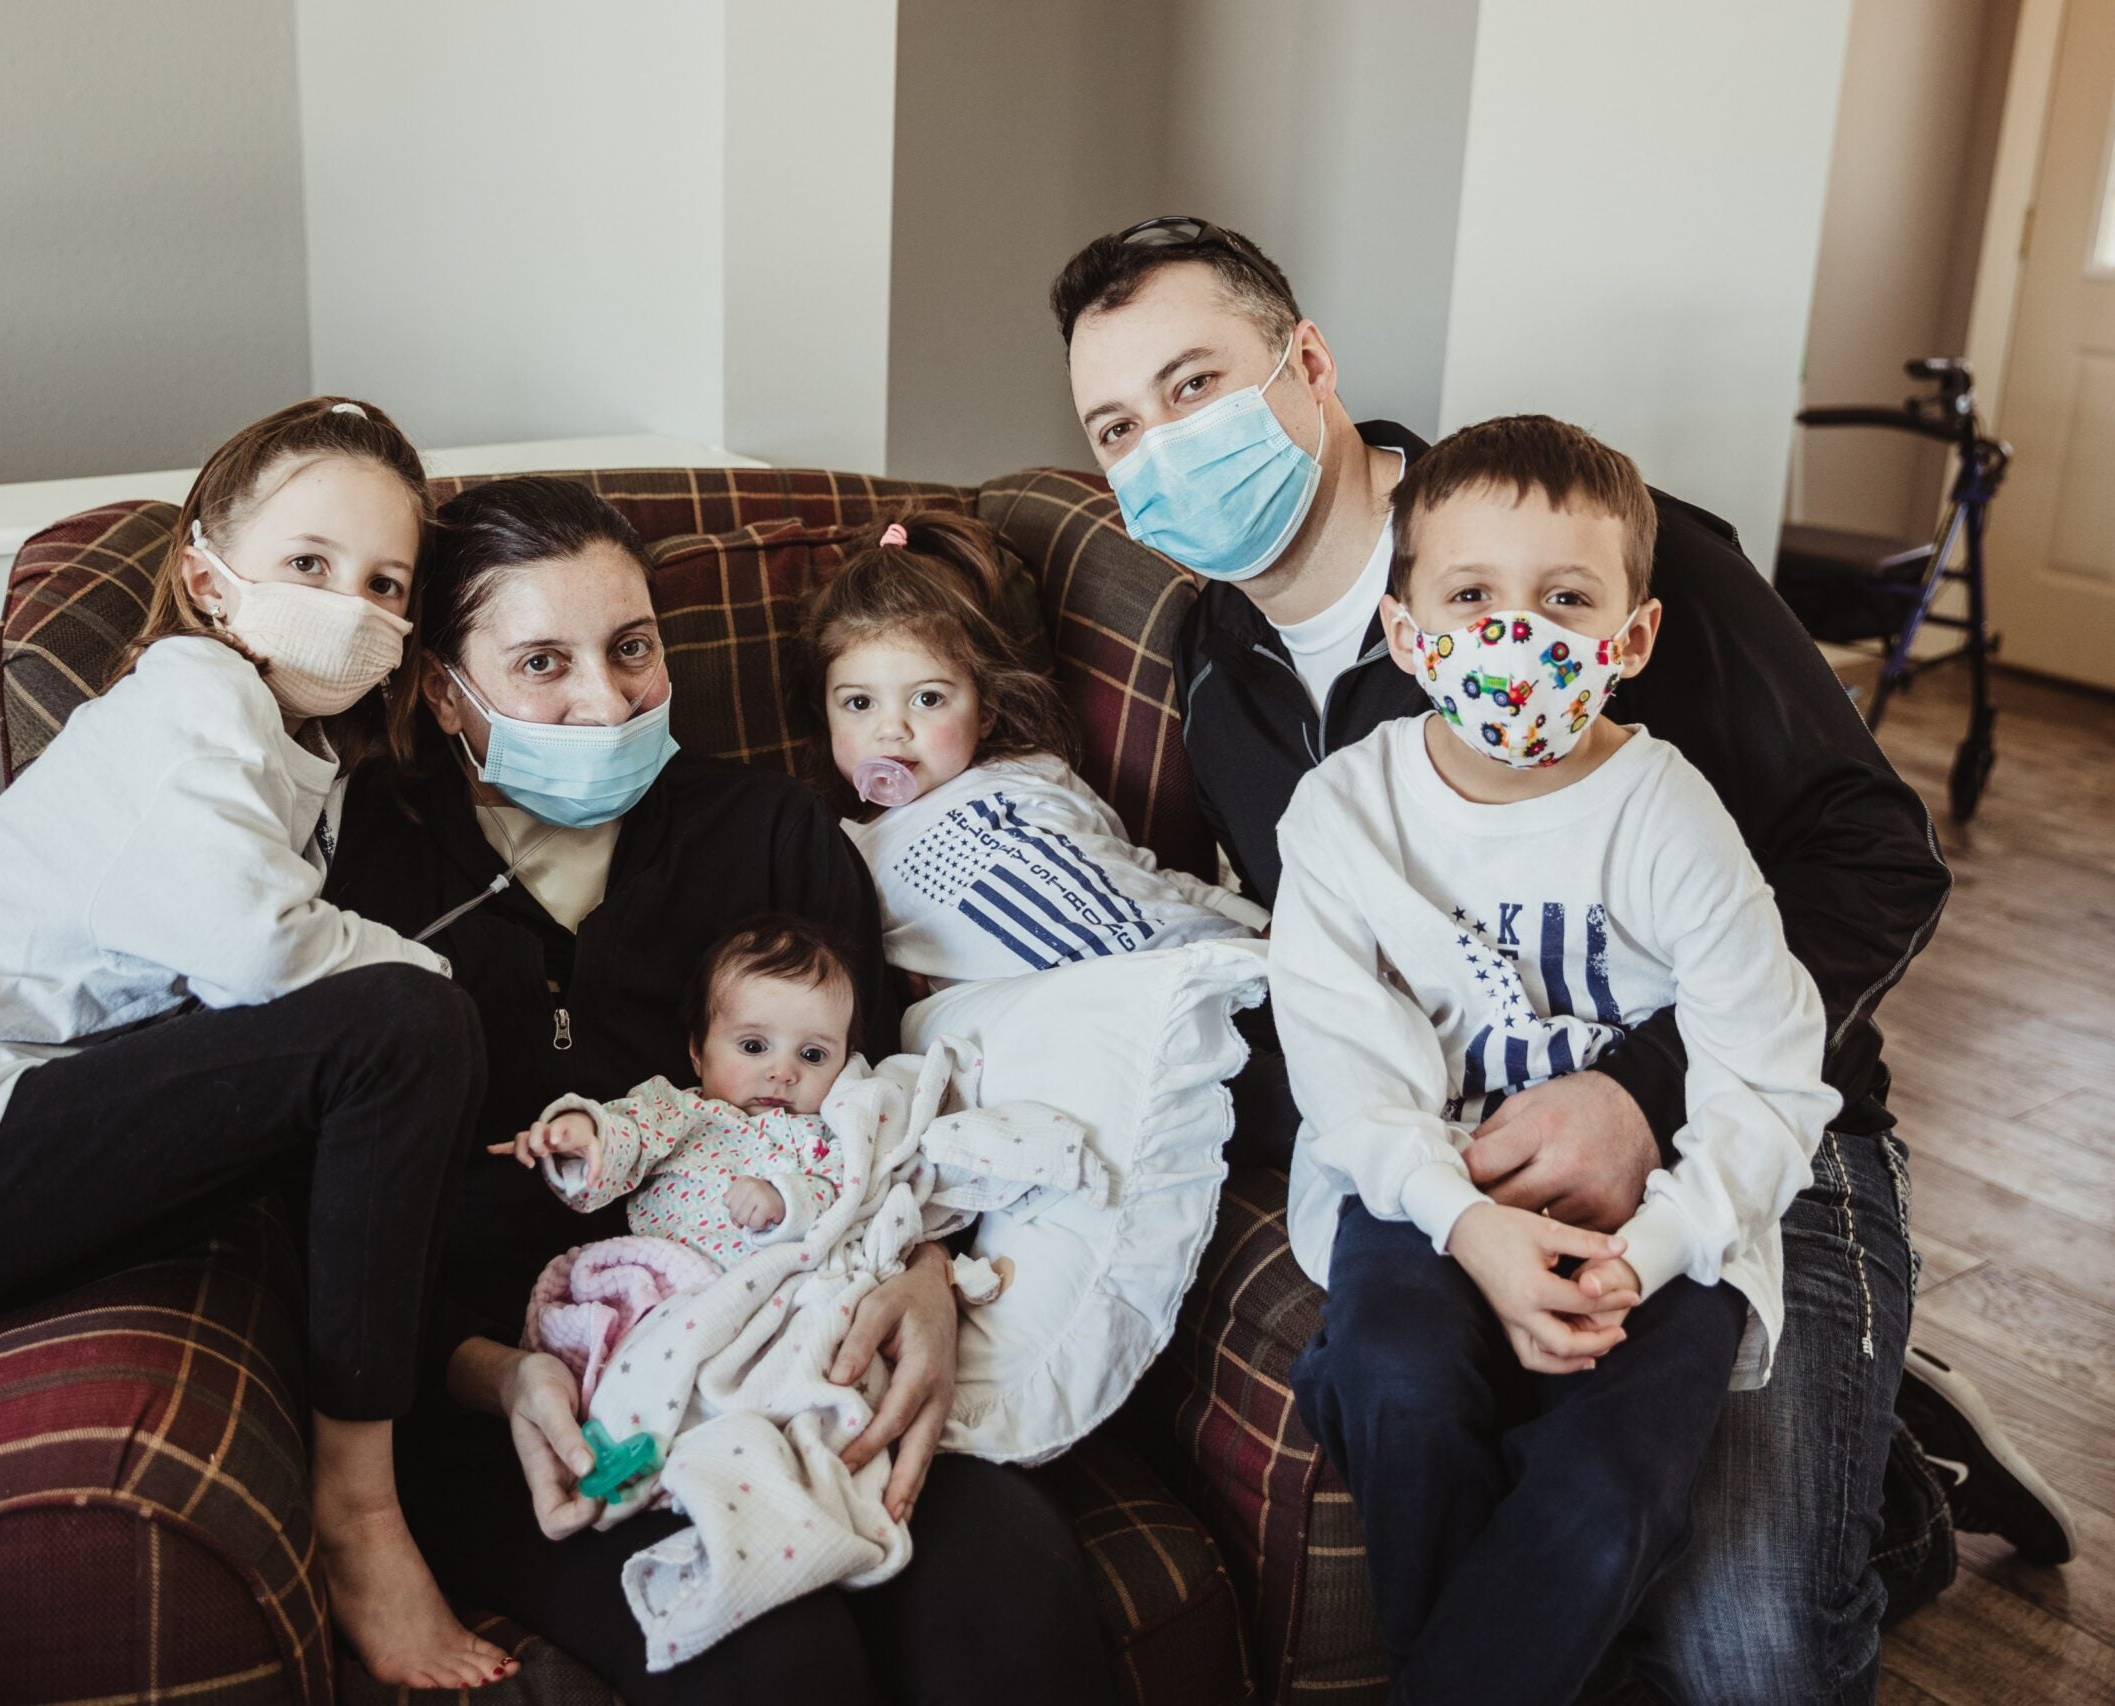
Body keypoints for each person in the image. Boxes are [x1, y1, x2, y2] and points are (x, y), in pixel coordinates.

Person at [1050, 215, 2075, 1702]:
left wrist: (1638, 1090)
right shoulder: (1224, 681)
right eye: (1119, 426)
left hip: (1761, 1121)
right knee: (1448, 1442)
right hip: (1476, 1160)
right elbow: (1358, 981)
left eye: (1195, 383)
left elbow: (1878, 854)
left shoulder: (1579, 564)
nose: (1165, 448)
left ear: (1310, 365)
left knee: (1750, 1653)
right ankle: (1862, 1430)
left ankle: (1889, 1476)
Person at [324, 476, 1116, 1706]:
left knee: (1012, 1602)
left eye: (631, 647)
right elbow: (325, 1222)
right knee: (777, 1660)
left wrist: (923, 1280)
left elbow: (887, 1108)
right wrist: (491, 1371)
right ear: (443, 687)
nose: (606, 697)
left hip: (799, 1339)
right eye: (543, 661)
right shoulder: (358, 872)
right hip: (530, 1393)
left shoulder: (772, 836)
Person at [0, 398, 513, 1689]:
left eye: (384, 581)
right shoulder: (191, 695)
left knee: (382, 1050)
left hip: (4, 1144)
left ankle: (436, 1423)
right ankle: (359, 1514)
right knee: (406, 1025)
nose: (348, 604)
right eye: (307, 565)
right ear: (206, 577)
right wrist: (422, 969)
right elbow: (254, 954)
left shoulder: (301, 752)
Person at [1275, 415, 1842, 1704]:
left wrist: (1641, 1257)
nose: (1511, 633)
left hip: (1654, 1223)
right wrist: (1465, 1226)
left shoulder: (1670, 814)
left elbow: (1770, 1069)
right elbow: (1349, 1078)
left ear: (1628, 638)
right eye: (1470, 595)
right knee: (1395, 1390)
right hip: (1429, 1189)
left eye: (1564, 599)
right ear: (1407, 631)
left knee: (1600, 1502)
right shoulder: (1344, 814)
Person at [797, 510, 1264, 988]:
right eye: (859, 703)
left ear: (985, 710)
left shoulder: (1035, 773)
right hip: (1062, 1010)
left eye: (928, 698)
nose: (892, 729)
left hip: (1190, 956)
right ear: (826, 715)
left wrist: (1260, 926)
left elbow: (1145, 871)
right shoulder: (844, 854)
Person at [494, 914, 864, 1264]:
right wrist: (582, 1132)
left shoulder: (838, 1128)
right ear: (697, 1052)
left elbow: (850, 1195)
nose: (783, 1072)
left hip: (789, 1284)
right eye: (753, 1047)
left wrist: (787, 1200)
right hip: (673, 1281)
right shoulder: (674, 1111)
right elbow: (627, 1139)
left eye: (813, 1054)